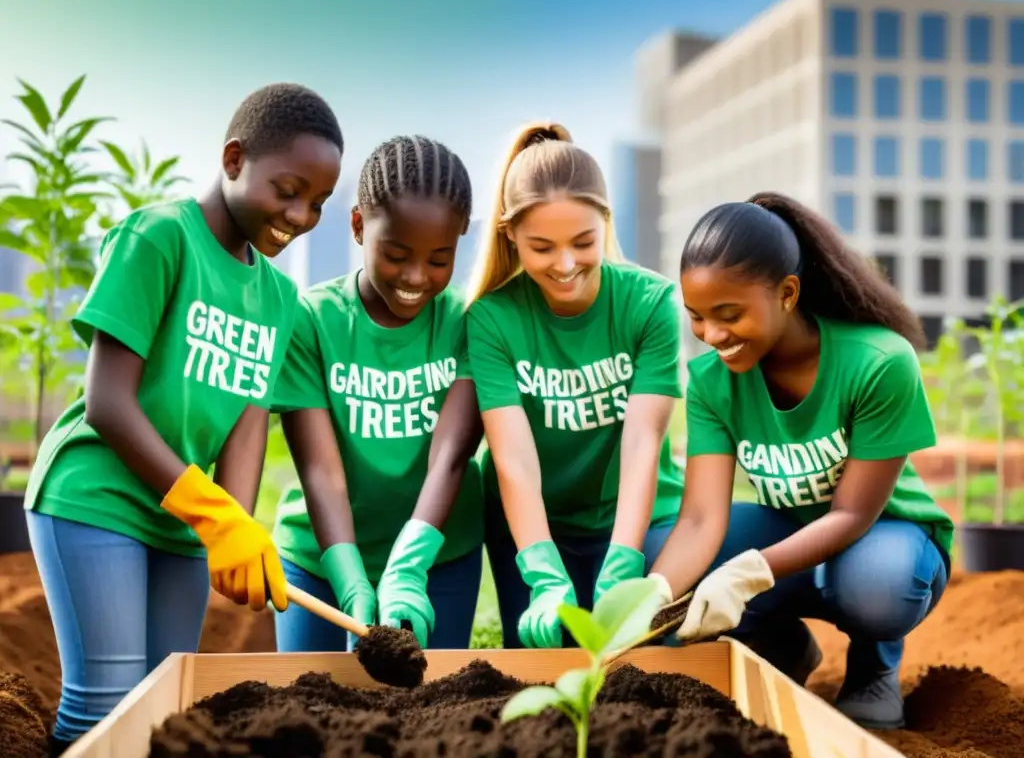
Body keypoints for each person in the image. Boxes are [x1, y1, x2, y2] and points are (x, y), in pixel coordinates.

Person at [23, 82, 344, 752]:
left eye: (317, 202)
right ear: (233, 160)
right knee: (105, 711)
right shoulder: (159, 237)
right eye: (288, 189)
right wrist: (215, 513)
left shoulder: (280, 297)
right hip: (95, 498)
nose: (301, 213)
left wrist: (240, 525)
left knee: (166, 708)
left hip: (182, 523)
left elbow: (249, 420)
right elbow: (110, 402)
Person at [646, 192, 954, 731]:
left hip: (878, 537)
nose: (713, 336)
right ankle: (781, 645)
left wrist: (748, 574)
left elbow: (852, 515)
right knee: (662, 552)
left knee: (881, 584)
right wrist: (656, 595)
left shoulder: (877, 363)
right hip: (791, 531)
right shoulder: (713, 383)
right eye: (696, 317)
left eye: (729, 314)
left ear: (787, 293)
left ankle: (873, 668)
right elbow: (699, 518)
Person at [464, 122, 685, 650]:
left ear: (605, 223)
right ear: (510, 235)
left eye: (583, 242)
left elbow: (641, 444)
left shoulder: (649, 303)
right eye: (542, 247)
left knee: (650, 654)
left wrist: (626, 555)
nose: (565, 265)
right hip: (536, 524)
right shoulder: (492, 319)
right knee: (546, 652)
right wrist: (541, 569)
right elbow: (512, 459)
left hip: (636, 516)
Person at [270, 134, 484, 652]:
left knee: (432, 713)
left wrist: (408, 567)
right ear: (359, 224)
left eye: (440, 258)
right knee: (309, 707)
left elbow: (451, 456)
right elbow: (320, 469)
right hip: (320, 558)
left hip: (438, 558)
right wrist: (348, 579)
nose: (416, 276)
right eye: (396, 254)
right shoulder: (311, 319)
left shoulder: (469, 323)